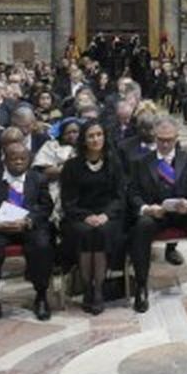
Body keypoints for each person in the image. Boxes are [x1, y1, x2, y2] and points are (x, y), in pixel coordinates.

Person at [126, 116, 187, 309]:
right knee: (141, 226)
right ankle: (141, 286)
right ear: (154, 138)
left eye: (169, 140)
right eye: (161, 140)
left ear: (176, 138)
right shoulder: (141, 163)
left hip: (184, 214)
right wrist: (146, 209)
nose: (165, 144)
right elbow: (132, 193)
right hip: (157, 214)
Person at [0, 140, 55, 325]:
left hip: (27, 226)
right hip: (0, 228)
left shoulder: (38, 179)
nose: (18, 162)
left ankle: (41, 296)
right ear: (5, 160)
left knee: (42, 246)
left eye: (22, 158)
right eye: (13, 158)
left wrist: (29, 221)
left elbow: (45, 206)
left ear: (29, 160)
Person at [59, 121, 127, 314]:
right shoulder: (72, 166)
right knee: (86, 233)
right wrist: (87, 216)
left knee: (102, 232)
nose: (96, 139)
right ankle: (87, 287)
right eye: (91, 136)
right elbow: (68, 200)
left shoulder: (114, 162)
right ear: (84, 140)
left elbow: (119, 196)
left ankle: (98, 289)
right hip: (79, 215)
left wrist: (106, 215)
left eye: (99, 135)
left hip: (109, 215)